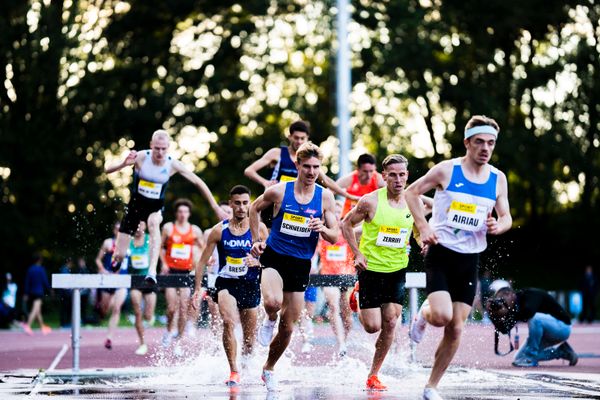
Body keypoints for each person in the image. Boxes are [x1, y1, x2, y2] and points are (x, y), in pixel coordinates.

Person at [405, 115, 513, 400]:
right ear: (467, 142)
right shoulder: (447, 171)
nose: (485, 148)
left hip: (470, 258)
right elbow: (411, 193)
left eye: (491, 143)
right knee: (441, 316)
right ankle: (424, 314)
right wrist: (424, 226)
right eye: (479, 142)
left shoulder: (497, 179)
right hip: (441, 252)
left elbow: (506, 217)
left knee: (456, 328)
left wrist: (497, 226)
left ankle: (431, 387)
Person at [249, 142, 339, 391]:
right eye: (307, 166)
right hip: (275, 256)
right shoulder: (279, 191)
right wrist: (257, 241)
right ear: (297, 165)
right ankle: (268, 319)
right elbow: (253, 209)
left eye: (317, 168)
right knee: (273, 303)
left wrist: (322, 228)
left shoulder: (325, 197)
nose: (312, 172)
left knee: (288, 326)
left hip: (301, 264)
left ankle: (268, 368)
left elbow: (334, 235)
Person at [104, 129, 228, 284]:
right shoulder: (142, 157)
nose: (160, 152)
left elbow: (198, 182)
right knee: (120, 255)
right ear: (151, 145)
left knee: (154, 223)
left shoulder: (172, 164)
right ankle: (116, 260)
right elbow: (107, 169)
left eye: (164, 149)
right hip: (135, 206)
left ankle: (151, 271)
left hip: (155, 207)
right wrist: (124, 164)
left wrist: (215, 207)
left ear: (168, 147)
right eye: (157, 148)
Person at [341, 154, 422, 391]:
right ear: (384, 176)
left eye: (402, 175)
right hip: (371, 270)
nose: (398, 180)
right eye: (393, 175)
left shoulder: (413, 201)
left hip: (397, 269)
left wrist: (422, 241)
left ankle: (373, 375)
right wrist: (357, 253)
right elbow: (346, 224)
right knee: (372, 327)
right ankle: (356, 294)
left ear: (407, 176)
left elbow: (418, 229)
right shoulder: (370, 202)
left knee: (391, 321)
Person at [192, 185, 268, 386]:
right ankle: (233, 371)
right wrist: (197, 289)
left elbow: (273, 259)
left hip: (251, 283)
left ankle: (246, 364)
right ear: (230, 204)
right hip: (226, 282)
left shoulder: (259, 228)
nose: (242, 208)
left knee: (249, 342)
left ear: (250, 204)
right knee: (228, 321)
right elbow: (201, 262)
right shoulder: (219, 231)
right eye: (237, 203)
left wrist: (259, 263)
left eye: (245, 203)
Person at [243, 120, 358, 227]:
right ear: (289, 137)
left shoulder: (309, 160)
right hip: (274, 202)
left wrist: (349, 196)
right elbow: (249, 170)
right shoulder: (276, 153)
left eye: (302, 138)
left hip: (296, 204)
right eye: (296, 138)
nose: (299, 141)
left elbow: (326, 181)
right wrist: (265, 182)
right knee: (269, 232)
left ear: (307, 138)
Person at [486, 287, 578, 367]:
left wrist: (508, 312)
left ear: (510, 294)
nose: (502, 304)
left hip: (562, 327)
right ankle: (563, 352)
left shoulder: (530, 294)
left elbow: (529, 312)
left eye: (502, 300)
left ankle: (530, 357)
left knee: (535, 318)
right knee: (520, 358)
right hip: (545, 332)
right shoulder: (514, 307)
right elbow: (505, 330)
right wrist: (494, 316)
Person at [159, 199, 205, 355]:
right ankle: (168, 330)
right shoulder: (169, 228)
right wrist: (163, 263)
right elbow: (159, 246)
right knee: (172, 308)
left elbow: (204, 246)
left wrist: (204, 259)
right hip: (171, 272)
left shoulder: (195, 230)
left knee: (184, 308)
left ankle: (178, 340)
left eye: (185, 212)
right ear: (176, 213)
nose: (182, 214)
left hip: (186, 272)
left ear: (189, 214)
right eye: (180, 212)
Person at [317, 200, 355, 357]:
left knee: (348, 317)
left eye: (340, 211)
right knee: (333, 307)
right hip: (328, 275)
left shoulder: (349, 231)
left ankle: (343, 341)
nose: (337, 214)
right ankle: (341, 344)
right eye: (335, 211)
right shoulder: (323, 232)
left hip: (347, 275)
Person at [126, 221, 157, 356]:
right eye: (136, 225)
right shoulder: (128, 241)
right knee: (137, 311)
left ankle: (149, 317)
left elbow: (155, 256)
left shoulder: (150, 240)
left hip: (148, 280)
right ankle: (142, 343)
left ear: (145, 226)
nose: (138, 228)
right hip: (135, 280)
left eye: (141, 225)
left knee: (148, 315)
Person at [336, 153, 385, 217]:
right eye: (365, 171)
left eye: (371, 171)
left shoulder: (380, 180)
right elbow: (329, 191)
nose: (368, 175)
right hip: (349, 217)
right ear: (358, 169)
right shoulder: (349, 179)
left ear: (375, 168)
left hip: (370, 217)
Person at [94, 222, 121, 319]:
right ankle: (101, 315)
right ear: (114, 230)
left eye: (120, 229)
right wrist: (103, 270)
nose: (118, 232)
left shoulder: (126, 243)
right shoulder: (108, 242)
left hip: (120, 279)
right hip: (108, 277)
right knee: (105, 308)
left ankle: (112, 329)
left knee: (115, 307)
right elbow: (98, 259)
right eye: (116, 229)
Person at [22, 253, 52, 335]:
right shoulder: (41, 269)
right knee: (35, 309)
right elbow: (45, 281)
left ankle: (42, 327)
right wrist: (50, 290)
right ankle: (27, 325)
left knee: (38, 311)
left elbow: (27, 282)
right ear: (40, 260)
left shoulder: (30, 269)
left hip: (31, 292)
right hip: (39, 292)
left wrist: (26, 293)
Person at [58, 258, 74, 328]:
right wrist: (69, 292)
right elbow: (65, 283)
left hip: (64, 293)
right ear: (69, 263)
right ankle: (64, 324)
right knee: (66, 308)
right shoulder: (65, 270)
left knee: (65, 308)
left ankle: (64, 323)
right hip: (65, 293)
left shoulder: (63, 269)